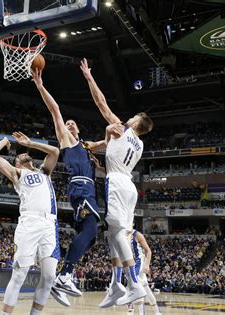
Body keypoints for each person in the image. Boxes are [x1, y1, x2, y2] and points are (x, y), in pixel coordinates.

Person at [80, 58, 153, 306]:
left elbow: (101, 104)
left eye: (131, 117)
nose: (127, 119)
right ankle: (115, 285)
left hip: (118, 183)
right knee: (112, 234)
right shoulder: (139, 144)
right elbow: (108, 146)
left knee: (116, 231)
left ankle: (133, 283)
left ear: (134, 123)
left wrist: (89, 77)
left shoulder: (125, 129)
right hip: (128, 186)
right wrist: (91, 145)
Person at [32, 69, 106, 301]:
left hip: (88, 190)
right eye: (67, 123)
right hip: (80, 187)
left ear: (79, 130)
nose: (69, 124)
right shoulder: (66, 140)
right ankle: (64, 275)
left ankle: (62, 277)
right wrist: (40, 86)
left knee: (91, 235)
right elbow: (55, 110)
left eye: (73, 123)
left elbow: (107, 142)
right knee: (92, 229)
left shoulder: (86, 146)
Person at [0, 131, 61, 315]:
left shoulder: (44, 171)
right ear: (17, 163)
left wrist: (31, 143)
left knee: (49, 276)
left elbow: (55, 152)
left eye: (25, 153)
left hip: (50, 224)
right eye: (19, 155)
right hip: (30, 222)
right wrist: (5, 141)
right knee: (20, 274)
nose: (23, 153)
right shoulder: (17, 173)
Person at [128, 229, 162, 315]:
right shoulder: (122, 235)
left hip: (140, 262)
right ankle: (157, 312)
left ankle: (134, 312)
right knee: (146, 288)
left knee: (135, 289)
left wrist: (147, 265)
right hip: (132, 264)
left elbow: (148, 251)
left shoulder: (136, 234)